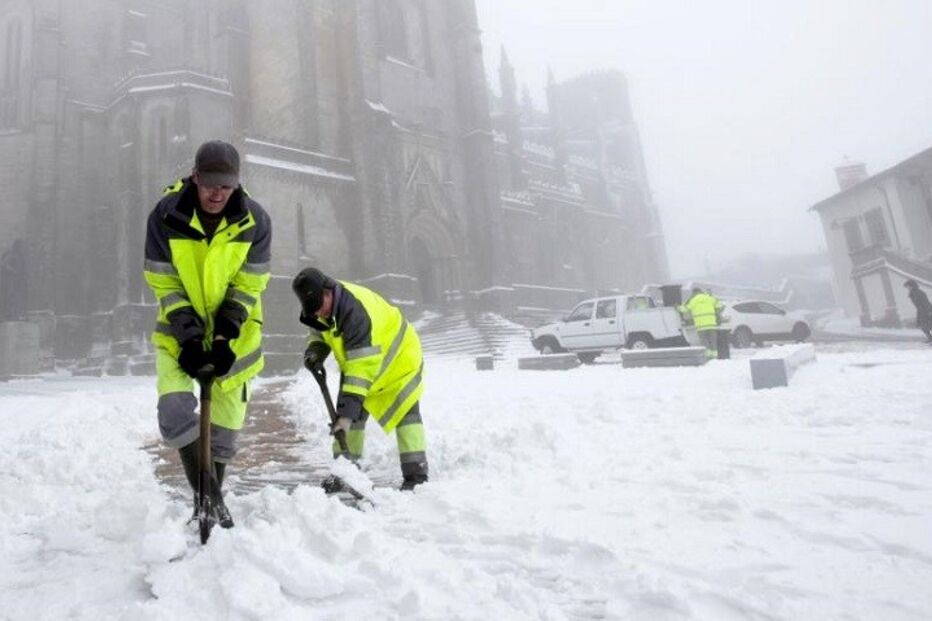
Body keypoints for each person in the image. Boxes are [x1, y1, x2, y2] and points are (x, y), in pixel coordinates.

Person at [143, 140, 272, 527]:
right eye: (210, 183)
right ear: (195, 177)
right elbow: (163, 282)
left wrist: (222, 337)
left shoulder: (256, 222)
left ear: (237, 183)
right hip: (178, 334)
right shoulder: (166, 216)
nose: (217, 193)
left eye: (226, 186)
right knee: (174, 412)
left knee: (223, 438)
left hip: (236, 338)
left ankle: (211, 505)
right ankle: (209, 499)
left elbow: (250, 284)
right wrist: (190, 338)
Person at [292, 267, 429, 491]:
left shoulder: (354, 311)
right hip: (364, 361)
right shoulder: (323, 310)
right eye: (314, 311)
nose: (319, 314)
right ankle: (344, 471)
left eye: (320, 308)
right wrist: (315, 351)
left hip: (398, 361)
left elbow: (361, 369)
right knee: (350, 414)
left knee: (406, 416)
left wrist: (345, 417)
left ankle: (416, 476)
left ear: (328, 292)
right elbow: (318, 332)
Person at [680, 287, 725, 358]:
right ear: (701, 291)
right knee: (713, 342)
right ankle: (715, 357)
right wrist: (717, 312)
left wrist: (677, 307)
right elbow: (720, 305)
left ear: (693, 293)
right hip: (711, 325)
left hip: (700, 326)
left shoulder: (693, 300)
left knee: (704, 342)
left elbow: (684, 309)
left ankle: (708, 356)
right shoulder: (709, 298)